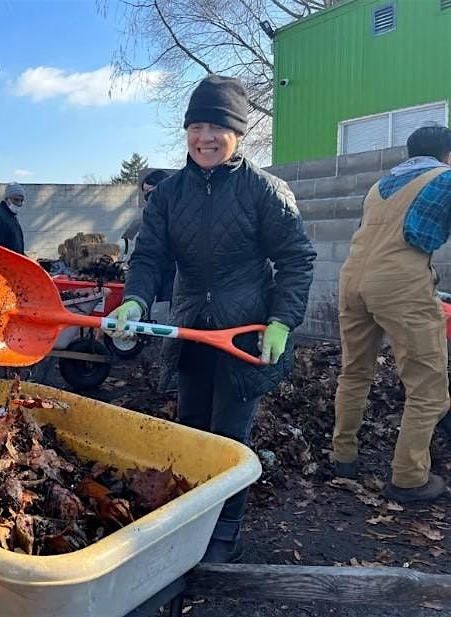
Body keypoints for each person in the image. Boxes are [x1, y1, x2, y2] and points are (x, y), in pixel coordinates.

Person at [108, 75, 316, 563]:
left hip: (245, 334)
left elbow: (297, 258)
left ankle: (224, 532)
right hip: (190, 329)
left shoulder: (265, 190)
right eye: (196, 126)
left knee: (228, 437)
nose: (205, 137)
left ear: (237, 134)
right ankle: (187, 524)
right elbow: (150, 257)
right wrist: (136, 300)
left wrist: (283, 320)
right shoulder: (168, 194)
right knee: (190, 429)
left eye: (216, 127)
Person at [332, 126, 451, 503]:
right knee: (428, 388)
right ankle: (410, 478)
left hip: (352, 280)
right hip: (400, 284)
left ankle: (343, 456)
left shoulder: (381, 186)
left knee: (355, 372)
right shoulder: (445, 178)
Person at [0, 182, 26, 254]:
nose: (19, 204)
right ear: (7, 199)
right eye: (16, 200)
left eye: (21, 200)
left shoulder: (10, 215)